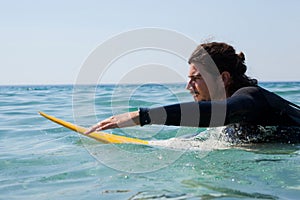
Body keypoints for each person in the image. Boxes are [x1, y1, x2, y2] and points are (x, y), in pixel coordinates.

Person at [85, 42, 300, 143]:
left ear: (223, 78)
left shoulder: (250, 97)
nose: (189, 87)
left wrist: (142, 116)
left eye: (196, 79)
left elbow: (219, 113)